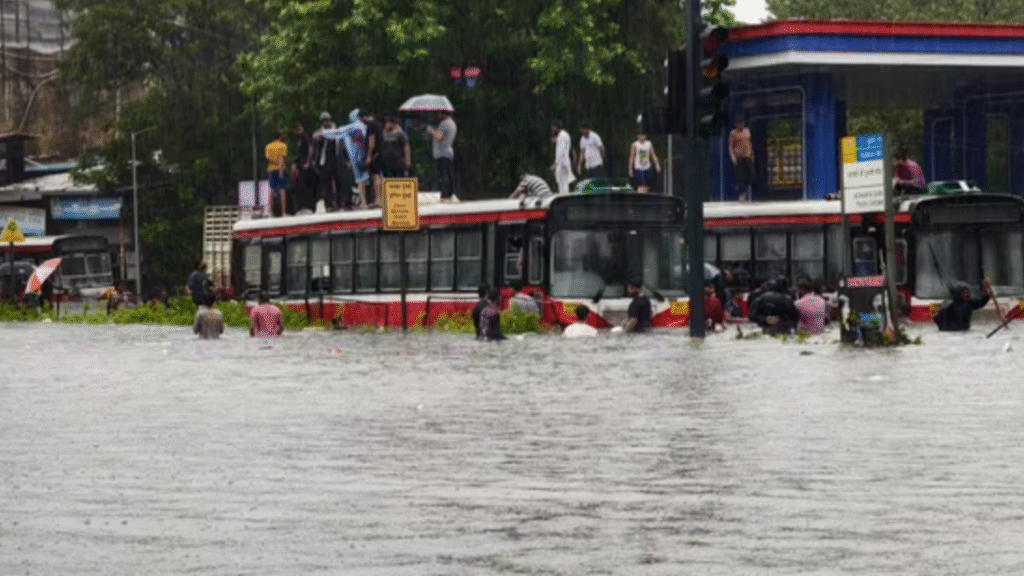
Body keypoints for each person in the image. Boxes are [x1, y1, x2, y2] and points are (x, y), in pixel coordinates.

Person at [312, 111, 342, 211]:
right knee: (325, 182)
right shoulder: (319, 132)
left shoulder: (335, 131)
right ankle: (328, 204)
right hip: (324, 160)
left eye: (327, 121)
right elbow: (316, 138)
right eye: (324, 121)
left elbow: (340, 140)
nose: (326, 123)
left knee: (338, 181)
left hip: (335, 159)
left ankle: (339, 203)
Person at [426, 110, 457, 201]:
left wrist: (431, 131)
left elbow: (439, 137)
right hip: (448, 151)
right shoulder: (452, 123)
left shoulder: (444, 124)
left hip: (441, 152)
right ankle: (450, 193)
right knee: (449, 173)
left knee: (443, 174)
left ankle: (445, 194)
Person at [360, 109, 383, 207]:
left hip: (374, 154)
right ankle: (379, 198)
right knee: (377, 175)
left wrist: (369, 156)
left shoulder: (371, 126)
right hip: (380, 153)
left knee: (375, 175)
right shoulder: (378, 124)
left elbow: (371, 141)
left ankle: (378, 199)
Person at [290, 123, 315, 213]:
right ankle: (304, 206)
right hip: (301, 163)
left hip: (305, 163)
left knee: (306, 185)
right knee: (301, 185)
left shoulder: (305, 136)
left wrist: (308, 162)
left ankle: (309, 206)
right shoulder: (299, 139)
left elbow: (310, 148)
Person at [729, 118, 755, 201]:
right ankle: (742, 192)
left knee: (751, 174)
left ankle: (743, 188)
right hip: (739, 157)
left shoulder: (747, 131)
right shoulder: (733, 133)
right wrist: (732, 156)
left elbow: (749, 143)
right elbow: (730, 146)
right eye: (738, 123)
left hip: (747, 156)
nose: (740, 125)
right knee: (740, 176)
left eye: (742, 123)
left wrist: (752, 154)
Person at [264, 131, 288, 216]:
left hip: (271, 170)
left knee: (271, 190)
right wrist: (280, 168)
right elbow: (282, 158)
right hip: (280, 170)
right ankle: (284, 212)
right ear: (280, 137)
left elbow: (267, 157)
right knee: (282, 190)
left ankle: (270, 212)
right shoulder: (283, 145)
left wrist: (274, 162)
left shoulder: (268, 146)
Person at [551, 120, 575, 195]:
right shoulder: (563, 135)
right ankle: (564, 196)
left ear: (556, 127)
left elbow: (561, 152)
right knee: (562, 183)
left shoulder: (562, 136)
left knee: (563, 183)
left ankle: (564, 197)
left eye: (553, 128)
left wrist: (555, 164)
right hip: (562, 162)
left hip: (562, 163)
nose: (552, 130)